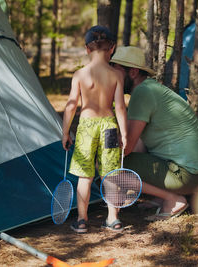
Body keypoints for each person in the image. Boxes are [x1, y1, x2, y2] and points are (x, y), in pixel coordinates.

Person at [109, 46, 198, 221]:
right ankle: (161, 195)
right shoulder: (151, 88)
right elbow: (139, 143)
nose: (112, 76)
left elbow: (126, 149)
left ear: (133, 72)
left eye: (116, 70)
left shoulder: (142, 93)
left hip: (185, 176)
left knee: (109, 161)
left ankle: (173, 199)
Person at [62, 26, 128, 233]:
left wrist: (65, 131)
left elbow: (71, 104)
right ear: (113, 48)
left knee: (85, 176)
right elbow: (120, 106)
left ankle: (82, 220)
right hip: (109, 126)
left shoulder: (80, 74)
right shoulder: (116, 74)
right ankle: (112, 219)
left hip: (87, 128)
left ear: (87, 49)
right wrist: (124, 133)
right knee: (110, 173)